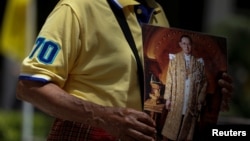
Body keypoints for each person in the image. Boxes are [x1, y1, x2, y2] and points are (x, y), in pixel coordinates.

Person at [16, 0, 233, 141]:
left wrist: (205, 98)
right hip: (85, 135)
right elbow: (30, 87)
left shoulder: (156, 11)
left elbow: (161, 93)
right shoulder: (76, 7)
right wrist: (105, 117)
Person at [161, 35, 220, 141]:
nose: (187, 47)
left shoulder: (198, 63)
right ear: (180, 45)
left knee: (187, 130)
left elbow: (204, 83)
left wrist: (200, 100)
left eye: (189, 44)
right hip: (177, 99)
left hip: (191, 101)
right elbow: (169, 79)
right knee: (172, 130)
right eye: (184, 44)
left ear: (191, 46)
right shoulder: (174, 60)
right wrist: (168, 98)